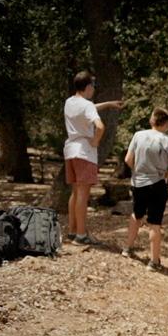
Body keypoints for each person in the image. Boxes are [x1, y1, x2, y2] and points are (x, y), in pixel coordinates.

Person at [63, 70, 123, 245]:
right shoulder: (87, 105)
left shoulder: (70, 102)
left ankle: (73, 230)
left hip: (70, 151)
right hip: (84, 152)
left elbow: (88, 109)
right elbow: (100, 126)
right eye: (93, 87)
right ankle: (82, 235)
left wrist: (109, 104)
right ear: (88, 87)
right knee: (83, 194)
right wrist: (96, 141)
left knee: (74, 193)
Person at [122, 108, 168, 271]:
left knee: (137, 213)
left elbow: (128, 159)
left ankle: (127, 248)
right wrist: (166, 176)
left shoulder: (138, 136)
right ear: (167, 124)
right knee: (155, 222)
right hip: (158, 183)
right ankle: (154, 261)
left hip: (138, 182)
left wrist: (137, 170)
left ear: (152, 120)